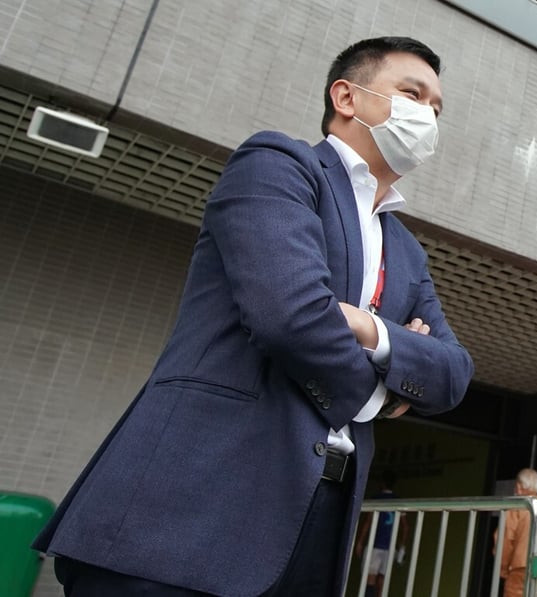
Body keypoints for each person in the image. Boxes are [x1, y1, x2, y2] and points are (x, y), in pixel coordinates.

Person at [32, 36, 474, 597]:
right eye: (412, 94)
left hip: (319, 519)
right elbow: (290, 316)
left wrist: (369, 328)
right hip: (189, 510)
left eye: (436, 108)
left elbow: (454, 373)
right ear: (346, 97)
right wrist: (384, 389)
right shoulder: (280, 165)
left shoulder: (406, 251)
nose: (427, 116)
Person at [497, 469, 537, 596]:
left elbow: (505, 541)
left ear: (518, 486)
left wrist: (504, 570)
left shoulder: (516, 508)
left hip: (518, 570)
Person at [354, 470, 408, 597]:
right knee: (382, 582)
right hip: (390, 547)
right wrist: (402, 548)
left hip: (375, 545)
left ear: (382, 483)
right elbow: (406, 527)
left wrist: (360, 542)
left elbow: (368, 522)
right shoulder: (398, 501)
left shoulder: (376, 499)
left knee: (370, 581)